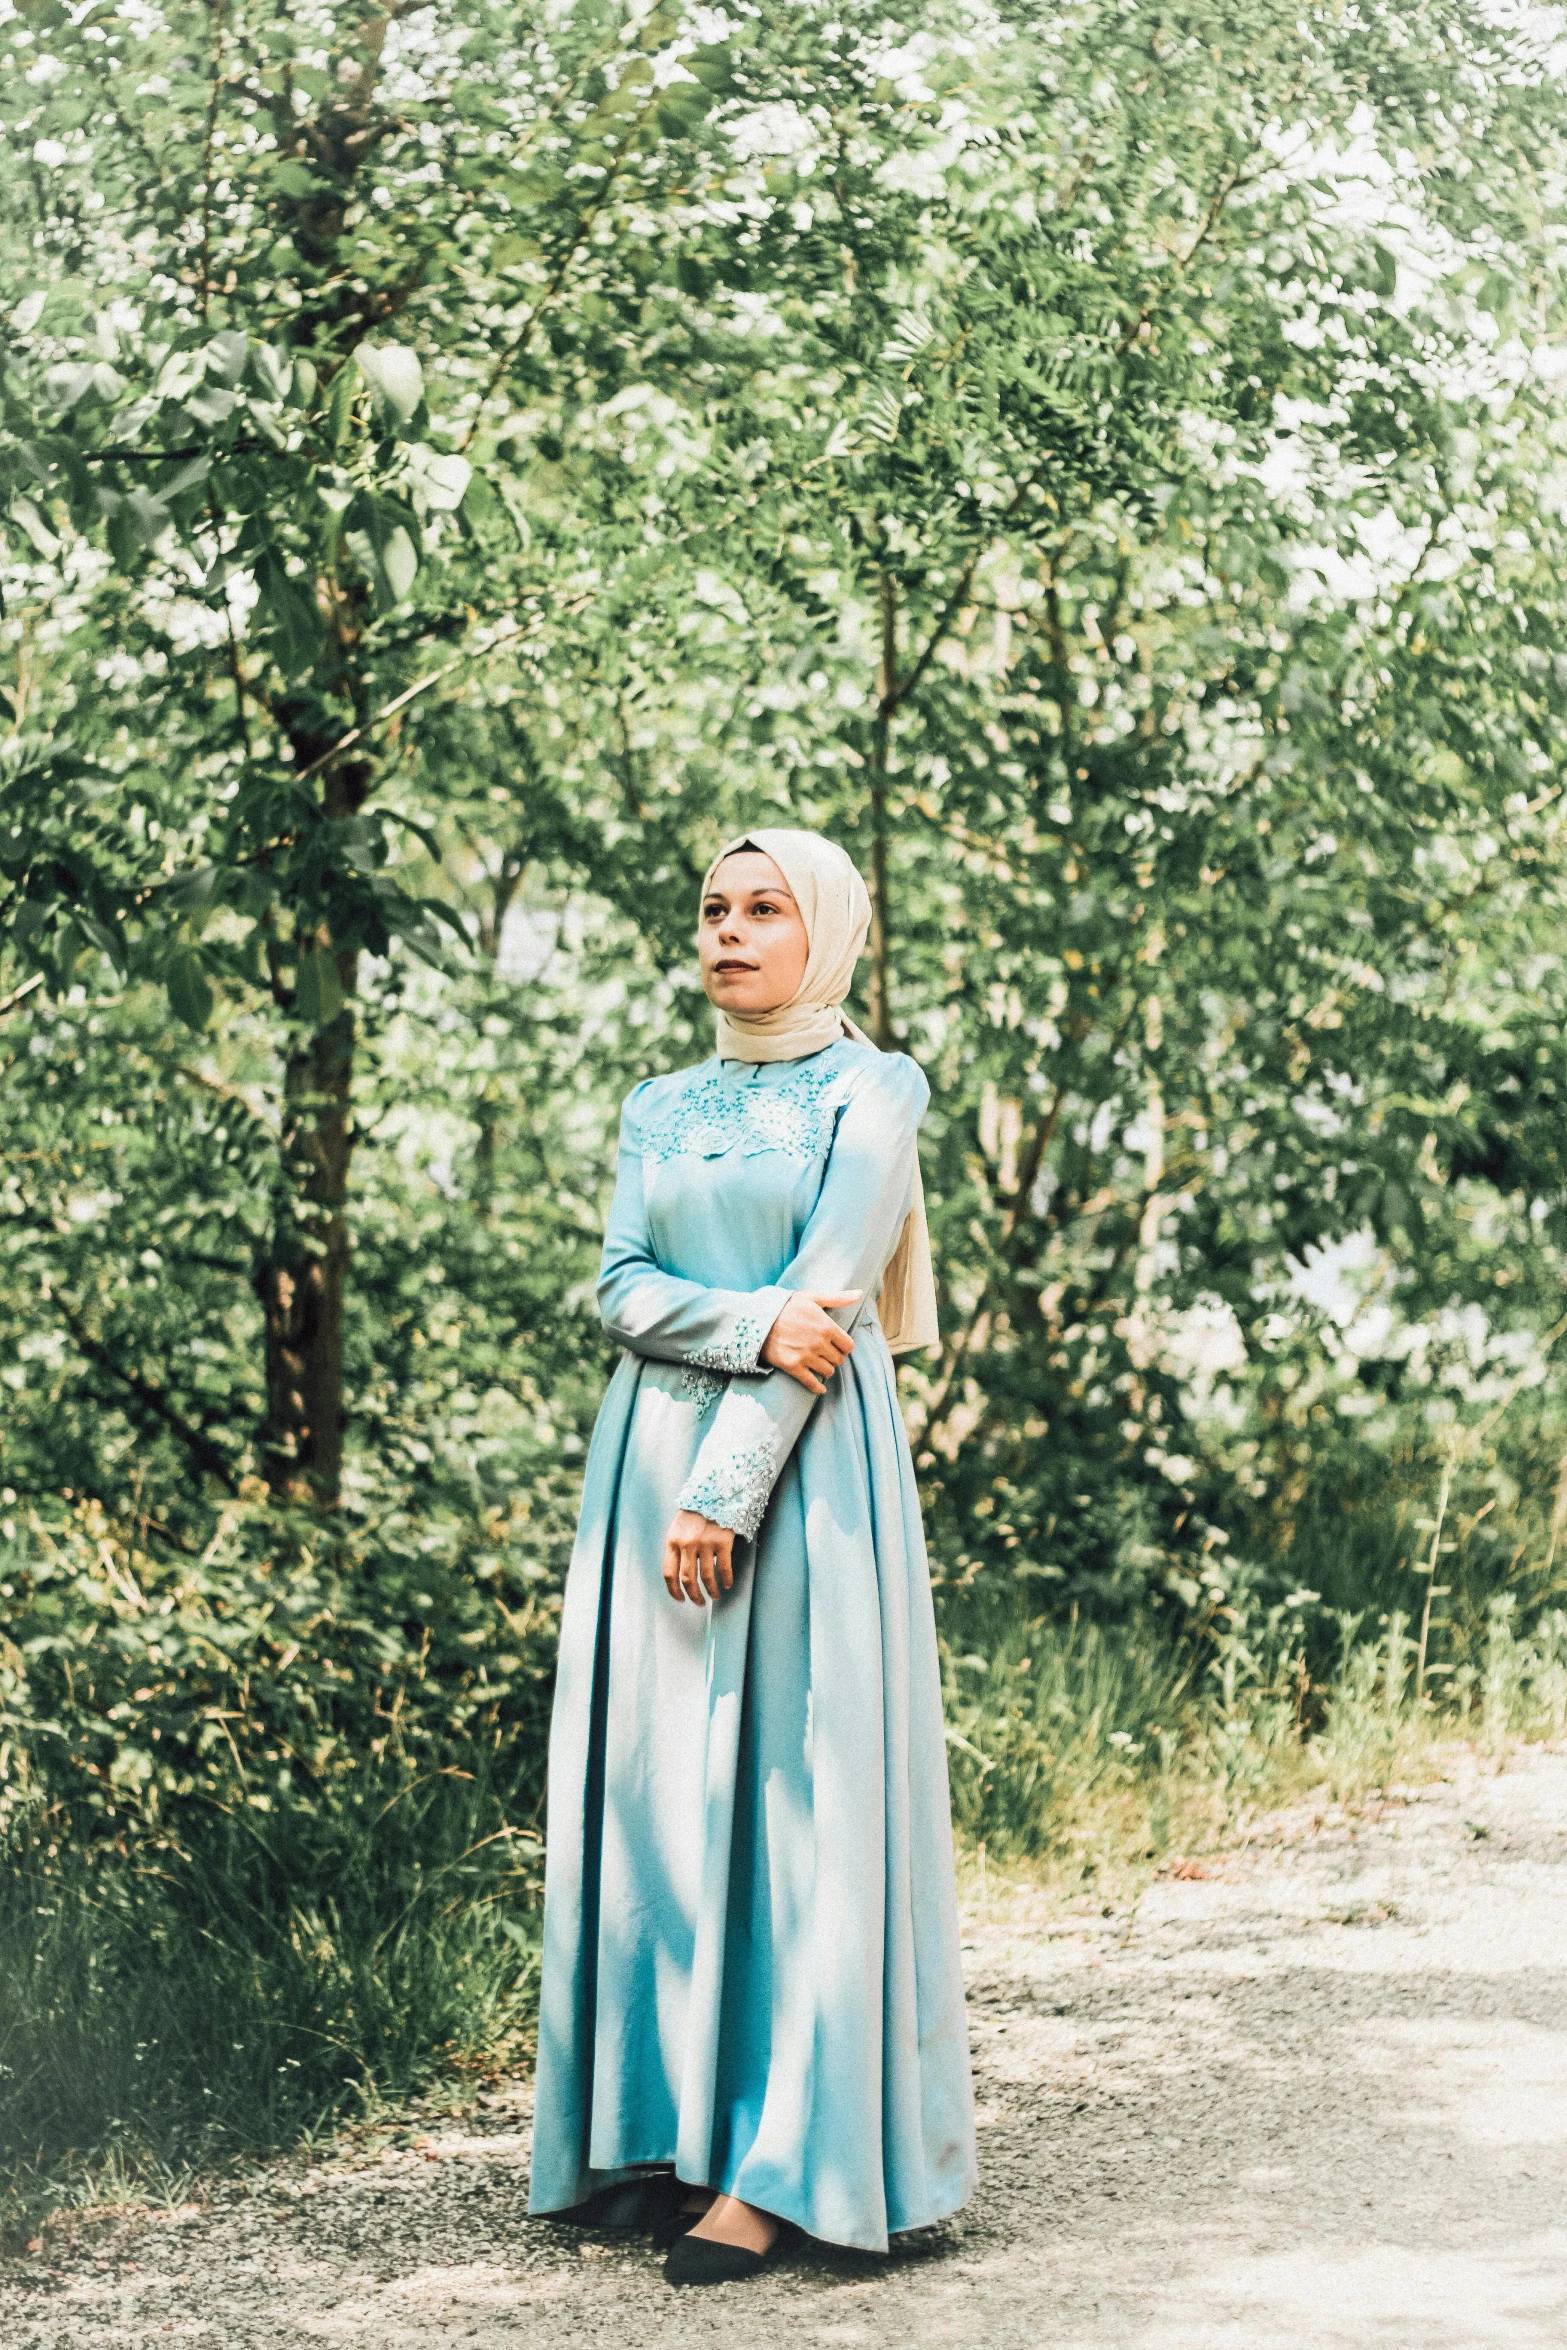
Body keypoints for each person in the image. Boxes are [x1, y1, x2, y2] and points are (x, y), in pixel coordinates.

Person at [527, 827, 977, 2286]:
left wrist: (724, 1487)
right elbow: (618, 1284)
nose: (728, 931)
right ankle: (670, 2133)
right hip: (643, 1463)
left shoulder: (873, 1086)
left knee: (794, 1792)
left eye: (762, 908)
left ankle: (786, 2162)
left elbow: (829, 1293)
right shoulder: (657, 1102)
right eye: (712, 908)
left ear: (824, 931)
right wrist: (735, 1327)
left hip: (801, 1477)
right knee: (662, 1791)